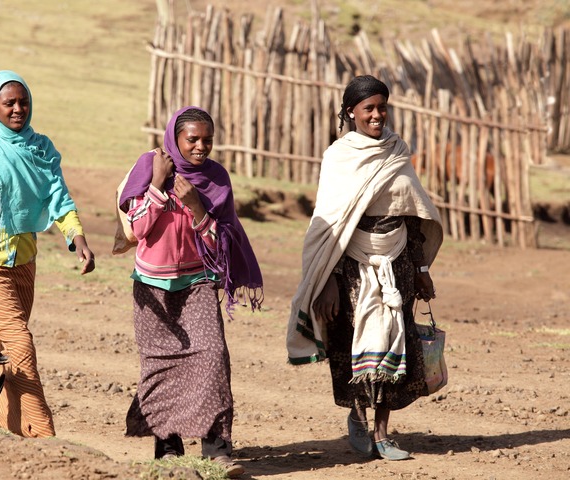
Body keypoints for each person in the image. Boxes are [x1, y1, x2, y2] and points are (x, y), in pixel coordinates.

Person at [286, 75, 443, 461]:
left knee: (397, 336)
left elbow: (413, 213)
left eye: (381, 107)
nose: (376, 115)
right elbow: (330, 223)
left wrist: (421, 267)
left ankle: (383, 431)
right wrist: (329, 282)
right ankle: (357, 416)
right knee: (350, 338)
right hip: (350, 263)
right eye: (368, 108)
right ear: (350, 112)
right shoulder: (339, 157)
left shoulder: (397, 151)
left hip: (399, 258)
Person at [0, 70, 95, 438]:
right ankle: (43, 434)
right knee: (19, 344)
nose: (17, 109)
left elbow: (58, 196)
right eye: (8, 102)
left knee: (1, 343)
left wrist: (78, 237)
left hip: (24, 263)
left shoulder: (40, 148)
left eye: (22, 101)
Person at [120, 106, 263, 478]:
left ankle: (217, 450)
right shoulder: (150, 167)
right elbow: (137, 229)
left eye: (207, 140)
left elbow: (222, 245)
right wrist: (157, 186)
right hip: (152, 287)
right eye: (192, 139)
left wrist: (198, 208)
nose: (201, 147)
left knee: (212, 355)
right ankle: (168, 449)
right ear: (175, 138)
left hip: (197, 283)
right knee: (161, 364)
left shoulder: (216, 179)